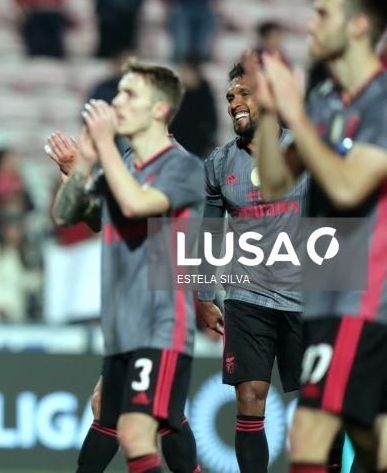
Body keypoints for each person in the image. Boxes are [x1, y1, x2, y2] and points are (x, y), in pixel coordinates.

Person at [250, 0, 387, 472]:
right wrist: (270, 115)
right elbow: (272, 183)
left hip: (366, 297)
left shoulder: (381, 99)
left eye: (324, 13)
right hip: (331, 294)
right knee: (371, 442)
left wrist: (294, 113)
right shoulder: (326, 100)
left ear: (358, 26)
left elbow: (350, 185)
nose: (310, 22)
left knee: (308, 434)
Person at [52, 60, 204, 473]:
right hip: (123, 322)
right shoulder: (124, 164)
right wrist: (80, 166)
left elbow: (137, 205)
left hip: (160, 320)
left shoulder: (182, 166)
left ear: (158, 109)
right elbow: (69, 215)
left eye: (128, 94)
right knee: (123, 412)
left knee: (137, 430)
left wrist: (101, 152)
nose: (116, 101)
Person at [198, 61, 309, 473]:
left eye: (244, 94)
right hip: (246, 299)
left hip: (304, 297)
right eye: (230, 97)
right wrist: (205, 295)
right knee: (249, 399)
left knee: (318, 405)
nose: (235, 104)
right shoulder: (219, 163)